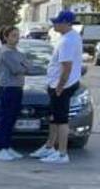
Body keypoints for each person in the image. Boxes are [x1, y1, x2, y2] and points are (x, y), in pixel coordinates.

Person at [31, 10, 84, 164]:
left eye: (58, 22)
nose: (54, 24)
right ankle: (49, 146)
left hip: (62, 86)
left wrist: (60, 87)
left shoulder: (68, 41)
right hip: (58, 84)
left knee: (61, 120)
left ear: (67, 23)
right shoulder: (70, 37)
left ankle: (62, 153)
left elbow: (66, 67)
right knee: (54, 119)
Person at [0, 26, 36, 161]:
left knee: (12, 119)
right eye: (13, 35)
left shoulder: (16, 51)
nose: (16, 39)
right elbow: (17, 69)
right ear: (5, 37)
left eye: (17, 35)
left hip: (17, 87)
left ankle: (7, 146)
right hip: (8, 88)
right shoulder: (5, 52)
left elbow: (30, 67)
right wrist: (24, 65)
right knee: (5, 119)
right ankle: (0, 148)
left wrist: (24, 65)